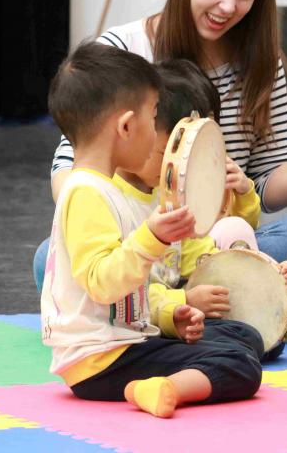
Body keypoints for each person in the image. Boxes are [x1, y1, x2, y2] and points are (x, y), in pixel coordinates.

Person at [46, 0, 287, 319]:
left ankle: (187, 300)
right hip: (140, 238)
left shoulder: (263, 64)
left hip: (217, 237)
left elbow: (266, 181)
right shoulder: (123, 50)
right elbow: (72, 165)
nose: (228, 6)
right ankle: (246, 297)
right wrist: (110, 222)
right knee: (51, 256)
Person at [41, 42, 264, 418]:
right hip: (101, 360)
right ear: (127, 126)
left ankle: (167, 376)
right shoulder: (85, 193)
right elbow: (103, 283)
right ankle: (165, 388)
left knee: (245, 338)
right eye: (154, 115)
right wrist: (153, 238)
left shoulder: (107, 189)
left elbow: (133, 294)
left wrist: (170, 315)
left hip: (126, 340)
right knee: (241, 364)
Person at [111, 58, 287, 360]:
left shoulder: (170, 191)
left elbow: (203, 252)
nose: (176, 168)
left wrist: (261, 276)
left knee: (284, 235)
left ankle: (282, 309)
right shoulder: (110, 200)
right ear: (130, 131)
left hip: (175, 296)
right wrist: (184, 300)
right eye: (162, 153)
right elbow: (121, 295)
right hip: (138, 318)